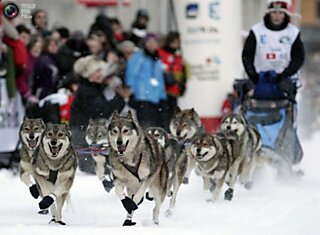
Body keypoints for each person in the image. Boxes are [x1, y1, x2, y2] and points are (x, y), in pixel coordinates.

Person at [71, 55, 130, 173]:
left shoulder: (94, 88)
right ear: (88, 74)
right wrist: (120, 97)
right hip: (84, 136)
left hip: (91, 136)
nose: (100, 74)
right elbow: (102, 111)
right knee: (93, 171)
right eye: (96, 71)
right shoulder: (87, 90)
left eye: (100, 70)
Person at [242, 0, 304, 102]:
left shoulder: (293, 32)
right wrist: (253, 75)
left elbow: (298, 57)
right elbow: (247, 55)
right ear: (269, 13)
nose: (277, 16)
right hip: (260, 81)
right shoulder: (257, 31)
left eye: (280, 13)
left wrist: (285, 75)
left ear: (285, 14)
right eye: (274, 12)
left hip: (285, 82)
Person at [125, 33, 167, 129]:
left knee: (157, 125)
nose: (151, 44)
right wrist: (131, 92)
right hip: (142, 96)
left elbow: (159, 78)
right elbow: (131, 75)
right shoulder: (138, 57)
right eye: (149, 41)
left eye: (154, 42)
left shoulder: (157, 58)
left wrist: (162, 95)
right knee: (145, 125)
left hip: (156, 97)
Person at [158, 31, 187, 130]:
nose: (176, 44)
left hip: (174, 90)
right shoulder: (161, 53)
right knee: (163, 115)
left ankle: (169, 133)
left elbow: (182, 72)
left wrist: (182, 84)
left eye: (178, 42)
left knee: (172, 115)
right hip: (162, 90)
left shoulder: (178, 56)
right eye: (174, 42)